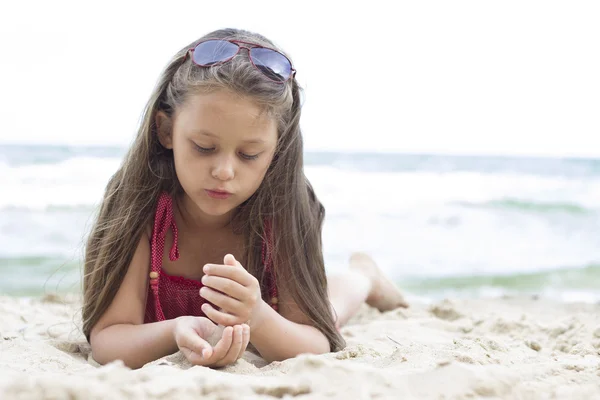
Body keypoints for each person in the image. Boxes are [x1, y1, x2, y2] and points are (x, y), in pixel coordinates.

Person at [82, 28, 408, 370]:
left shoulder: (283, 209)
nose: (224, 171)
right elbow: (108, 340)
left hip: (271, 313)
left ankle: (363, 277)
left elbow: (316, 341)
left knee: (331, 307)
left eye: (249, 154)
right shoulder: (140, 203)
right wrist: (175, 330)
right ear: (166, 131)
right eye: (204, 147)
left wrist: (259, 317)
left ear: (277, 148)